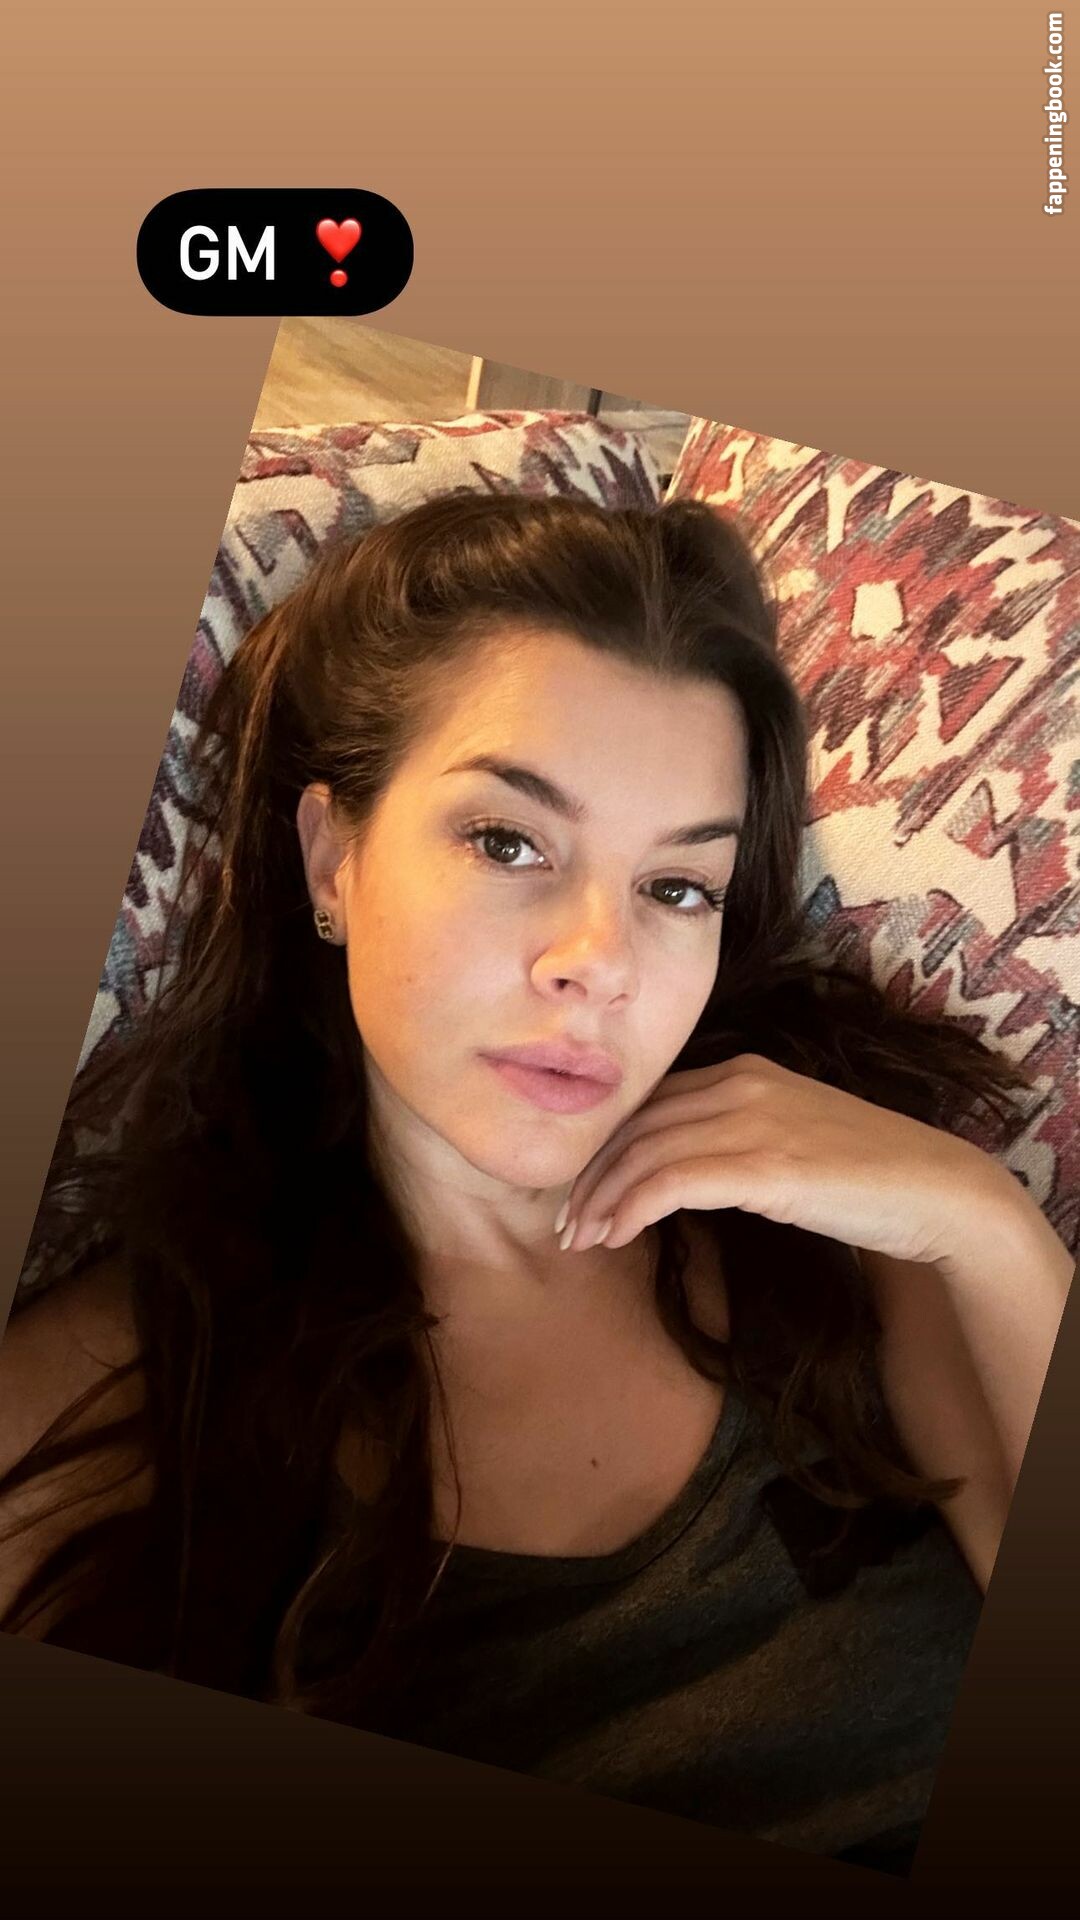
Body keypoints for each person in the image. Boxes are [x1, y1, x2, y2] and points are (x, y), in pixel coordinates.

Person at [0, 493, 1071, 1874]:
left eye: (677, 887)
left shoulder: (843, 1235)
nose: (599, 963)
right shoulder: (110, 1397)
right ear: (332, 858)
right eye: (509, 842)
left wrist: (986, 1224)